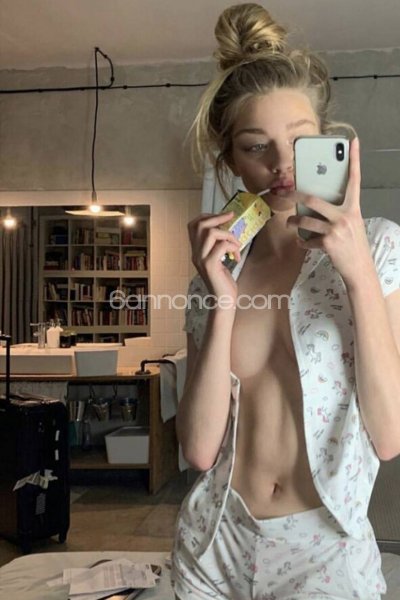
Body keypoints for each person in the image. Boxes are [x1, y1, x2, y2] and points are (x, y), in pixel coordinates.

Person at [171, 3, 400, 599]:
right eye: (256, 147)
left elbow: (390, 435)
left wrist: (356, 272)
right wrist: (221, 302)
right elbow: (198, 450)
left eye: (300, 141)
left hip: (325, 551)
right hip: (213, 546)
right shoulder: (213, 276)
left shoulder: (379, 248)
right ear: (230, 159)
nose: (281, 166)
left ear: (327, 142)